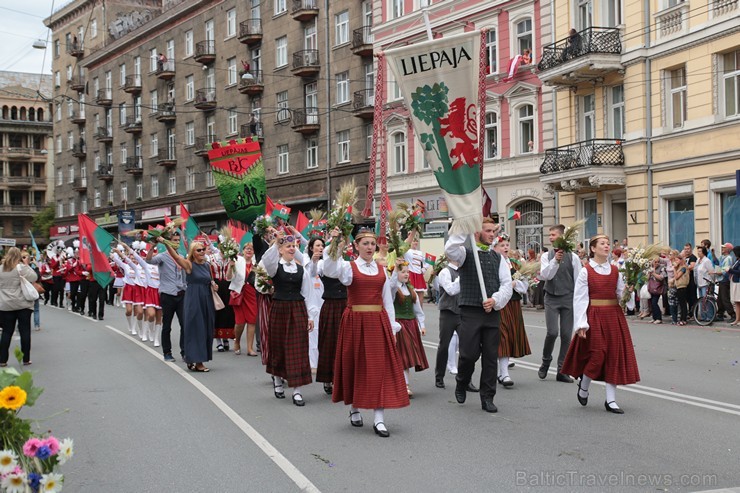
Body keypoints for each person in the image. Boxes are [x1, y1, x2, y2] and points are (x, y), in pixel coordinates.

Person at [323, 227, 409, 437]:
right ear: (357, 246)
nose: (370, 247)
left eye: (372, 244)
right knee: (356, 364)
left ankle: (379, 418)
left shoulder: (381, 270)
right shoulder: (348, 267)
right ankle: (354, 407)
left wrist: (392, 327)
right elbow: (329, 270)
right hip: (355, 321)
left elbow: (387, 300)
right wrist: (334, 245)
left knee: (378, 368)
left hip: (377, 322)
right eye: (365, 244)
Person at [561, 235, 640, 414]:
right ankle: (584, 385)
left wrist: (628, 294)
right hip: (594, 316)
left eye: (608, 244)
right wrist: (581, 323)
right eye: (602, 244)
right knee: (597, 354)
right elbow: (580, 298)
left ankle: (611, 400)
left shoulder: (614, 270)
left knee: (613, 355)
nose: (606, 246)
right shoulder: (586, 271)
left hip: (613, 316)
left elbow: (620, 294)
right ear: (593, 249)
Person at [444, 218, 512, 413]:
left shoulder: (498, 258)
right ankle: (462, 381)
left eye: (493, 231)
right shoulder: (465, 254)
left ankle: (488, 397)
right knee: (468, 355)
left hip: (491, 312)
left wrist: (496, 300)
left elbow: (506, 284)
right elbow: (450, 249)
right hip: (470, 311)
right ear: (476, 233)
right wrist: (464, 227)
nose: (492, 234)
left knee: (491, 357)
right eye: (488, 230)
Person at [261, 232, 317, 406]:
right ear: (281, 250)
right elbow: (266, 258)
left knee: (298, 348)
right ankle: (278, 380)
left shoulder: (301, 270)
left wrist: (310, 316)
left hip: (297, 309)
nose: (292, 249)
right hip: (279, 309)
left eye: (294, 246)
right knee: (278, 345)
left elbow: (308, 293)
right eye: (288, 246)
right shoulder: (274, 266)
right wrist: (276, 243)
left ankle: (297, 391)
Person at [159, 238, 215, 372]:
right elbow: (176, 257)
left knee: (206, 328)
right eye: (199, 250)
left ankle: (192, 358)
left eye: (203, 249)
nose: (202, 252)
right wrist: (166, 243)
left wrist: (214, 284)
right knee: (197, 329)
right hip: (194, 299)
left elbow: (210, 280)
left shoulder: (207, 265)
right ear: (193, 252)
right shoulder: (189, 265)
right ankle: (198, 362)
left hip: (206, 298)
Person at [538, 224, 582, 383]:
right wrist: (555, 261)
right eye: (550, 235)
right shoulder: (546, 256)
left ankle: (562, 370)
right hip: (551, 298)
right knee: (552, 332)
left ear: (562, 237)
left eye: (553, 235)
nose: (550, 237)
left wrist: (579, 302)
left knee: (566, 335)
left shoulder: (574, 257)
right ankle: (545, 361)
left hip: (568, 298)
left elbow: (578, 280)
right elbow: (545, 276)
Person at [306, 237, 346, 395]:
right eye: (338, 244)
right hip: (329, 305)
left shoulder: (346, 263)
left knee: (343, 343)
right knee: (328, 342)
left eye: (342, 244)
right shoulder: (322, 263)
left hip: (345, 305)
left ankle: (341, 377)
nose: (340, 246)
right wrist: (314, 261)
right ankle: (328, 378)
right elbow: (312, 273)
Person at [493, 234, 531, 388]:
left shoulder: (514, 264)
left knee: (510, 337)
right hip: (499, 303)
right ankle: (504, 373)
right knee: (502, 336)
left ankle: (502, 372)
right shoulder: (492, 263)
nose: (506, 248)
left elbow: (525, 285)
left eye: (507, 245)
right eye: (502, 245)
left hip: (513, 304)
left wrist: (516, 284)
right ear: (495, 248)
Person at [390, 260, 428, 398]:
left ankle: (403, 384)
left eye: (407, 272)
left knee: (406, 356)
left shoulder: (411, 290)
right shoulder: (394, 289)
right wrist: (394, 271)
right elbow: (391, 286)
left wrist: (421, 325)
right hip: (399, 325)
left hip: (411, 325)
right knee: (402, 356)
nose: (406, 274)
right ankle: (403, 385)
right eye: (402, 272)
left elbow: (418, 310)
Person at [147, 231, 187, 362]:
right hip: (168, 294)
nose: (176, 242)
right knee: (167, 325)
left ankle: (184, 351)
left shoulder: (181, 256)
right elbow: (149, 260)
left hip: (181, 294)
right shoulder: (162, 257)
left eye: (177, 240)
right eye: (174, 240)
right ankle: (167, 352)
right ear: (168, 241)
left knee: (184, 324)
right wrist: (153, 246)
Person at [0, 247, 38, 366]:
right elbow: (34, 277)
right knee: (25, 331)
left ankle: (2, 359)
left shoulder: (1, 269)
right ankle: (26, 359)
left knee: (6, 332)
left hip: (6, 304)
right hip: (23, 304)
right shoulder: (21, 268)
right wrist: (26, 264)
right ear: (19, 256)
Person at [434, 259, 462, 389]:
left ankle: (465, 379)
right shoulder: (445, 271)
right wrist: (462, 279)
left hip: (462, 312)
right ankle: (439, 376)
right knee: (444, 345)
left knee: (467, 347)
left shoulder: (463, 270)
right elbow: (450, 290)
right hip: (448, 312)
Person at [229, 242, 258, 356]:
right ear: (243, 250)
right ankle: (237, 341)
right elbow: (228, 278)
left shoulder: (257, 264)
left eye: (251, 249)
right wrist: (230, 267)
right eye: (247, 249)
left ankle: (250, 348)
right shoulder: (237, 261)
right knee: (240, 322)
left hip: (252, 293)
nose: (249, 251)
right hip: (239, 293)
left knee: (252, 321)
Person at [304, 237, 325, 373]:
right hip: (311, 301)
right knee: (313, 333)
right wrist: (314, 261)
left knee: (323, 333)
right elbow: (311, 271)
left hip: (323, 300)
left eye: (322, 245)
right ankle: (312, 363)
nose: (321, 248)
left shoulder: (325, 263)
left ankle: (323, 361)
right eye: (317, 245)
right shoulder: (307, 261)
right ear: (311, 248)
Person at [404, 234, 430, 306]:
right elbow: (404, 243)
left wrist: (424, 269)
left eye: (416, 241)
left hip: (419, 275)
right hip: (410, 274)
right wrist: (411, 233)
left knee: (420, 296)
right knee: (411, 296)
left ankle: (420, 315)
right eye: (413, 241)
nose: (415, 243)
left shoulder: (420, 252)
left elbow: (430, 260)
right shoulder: (406, 251)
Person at [718, 243, 736, 322]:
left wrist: (717, 273)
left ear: (727, 250)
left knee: (725, 298)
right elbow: (717, 263)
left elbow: (726, 270)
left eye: (724, 248)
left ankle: (732, 314)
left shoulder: (728, 258)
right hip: (721, 279)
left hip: (725, 280)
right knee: (720, 298)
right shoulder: (722, 257)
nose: (722, 249)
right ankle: (720, 313)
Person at [673, 252, 690, 326]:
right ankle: (682, 318)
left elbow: (677, 277)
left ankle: (683, 319)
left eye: (677, 260)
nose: (675, 262)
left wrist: (674, 269)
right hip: (679, 286)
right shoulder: (679, 268)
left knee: (683, 304)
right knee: (681, 303)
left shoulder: (683, 268)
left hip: (682, 286)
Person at [647, 258, 666, 324]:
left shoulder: (662, 268)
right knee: (651, 303)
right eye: (655, 262)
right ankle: (654, 317)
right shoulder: (650, 268)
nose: (657, 263)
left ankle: (659, 318)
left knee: (654, 302)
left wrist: (654, 273)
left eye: (658, 262)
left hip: (657, 287)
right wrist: (649, 273)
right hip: (651, 287)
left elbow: (661, 277)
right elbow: (647, 278)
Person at [683, 243, 698, 316]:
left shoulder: (693, 257)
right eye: (685, 249)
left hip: (692, 280)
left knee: (693, 297)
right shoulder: (684, 258)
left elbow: (692, 266)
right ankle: (689, 312)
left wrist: (684, 267)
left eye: (688, 249)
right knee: (687, 297)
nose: (686, 251)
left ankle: (694, 313)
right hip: (685, 280)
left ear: (691, 249)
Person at [729, 246, 740, 326]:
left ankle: (737, 319)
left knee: (738, 301)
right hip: (735, 281)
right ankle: (737, 319)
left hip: (738, 282)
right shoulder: (737, 260)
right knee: (736, 302)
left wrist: (730, 270)